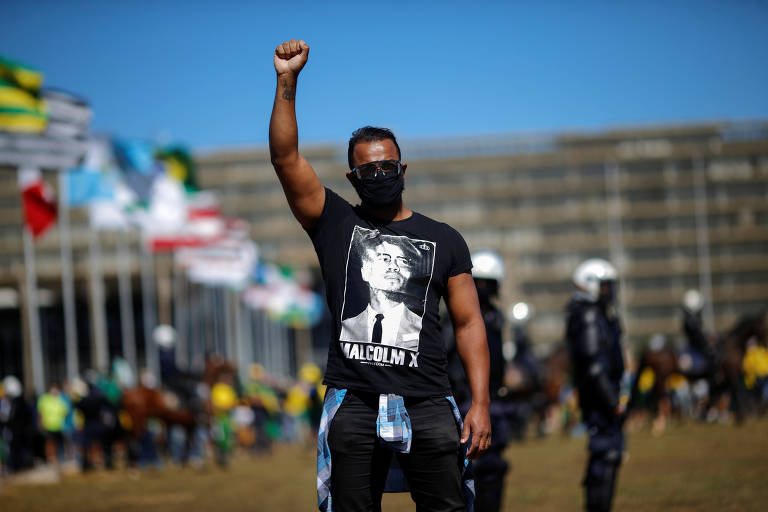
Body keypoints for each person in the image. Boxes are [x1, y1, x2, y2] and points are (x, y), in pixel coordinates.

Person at [270, 39, 491, 512]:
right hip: (354, 403)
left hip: (429, 401)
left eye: (387, 166)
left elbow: (469, 323)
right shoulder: (335, 223)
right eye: (368, 169)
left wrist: (481, 402)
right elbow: (286, 160)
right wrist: (287, 80)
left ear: (403, 169)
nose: (380, 174)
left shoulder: (445, 239)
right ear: (352, 177)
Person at [445, 250, 510, 512]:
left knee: (494, 470)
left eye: (488, 283)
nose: (482, 289)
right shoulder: (455, 320)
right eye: (478, 282)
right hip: (464, 405)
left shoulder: (496, 320)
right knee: (471, 473)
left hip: (494, 405)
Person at [565, 258, 626, 512]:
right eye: (604, 286)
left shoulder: (598, 315)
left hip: (602, 398)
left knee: (608, 456)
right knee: (606, 455)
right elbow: (595, 366)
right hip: (601, 402)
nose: (609, 292)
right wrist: (613, 401)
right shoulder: (590, 316)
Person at [340, 232, 423, 350]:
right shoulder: (348, 327)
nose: (394, 266)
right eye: (385, 259)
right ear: (365, 272)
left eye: (402, 261)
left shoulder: (420, 326)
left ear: (409, 274)